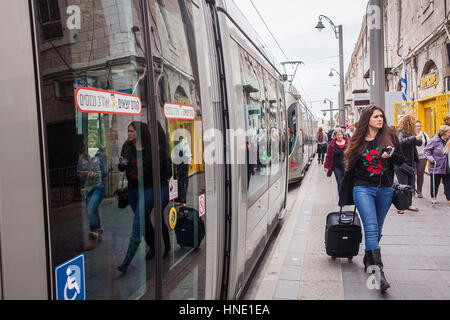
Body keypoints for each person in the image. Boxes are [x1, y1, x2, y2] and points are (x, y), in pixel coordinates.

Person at [341, 105, 405, 292]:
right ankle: (379, 272)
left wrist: (390, 156)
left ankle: (369, 257)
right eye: (376, 116)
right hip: (363, 189)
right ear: (367, 118)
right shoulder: (358, 139)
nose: (380, 119)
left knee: (377, 230)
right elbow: (349, 164)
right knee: (370, 228)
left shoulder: (390, 136)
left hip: (385, 189)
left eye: (381, 117)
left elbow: (401, 160)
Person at [117, 121, 171, 273]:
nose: (129, 134)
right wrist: (123, 163)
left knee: (139, 221)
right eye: (128, 131)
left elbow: (161, 172)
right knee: (144, 220)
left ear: (139, 133)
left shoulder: (151, 149)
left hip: (149, 189)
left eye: (132, 131)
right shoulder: (126, 147)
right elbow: (121, 167)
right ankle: (154, 246)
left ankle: (126, 263)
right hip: (133, 190)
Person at [77, 145, 108, 251]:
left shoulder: (100, 156)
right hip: (88, 188)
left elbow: (105, 172)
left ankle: (92, 236)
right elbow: (79, 175)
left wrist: (94, 172)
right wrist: (85, 175)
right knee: (93, 210)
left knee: (90, 210)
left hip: (99, 186)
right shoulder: (82, 158)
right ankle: (98, 230)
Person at [395, 115, 422, 214]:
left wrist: (416, 137)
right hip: (401, 163)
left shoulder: (412, 133)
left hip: (410, 162)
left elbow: (419, 143)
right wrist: (414, 137)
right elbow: (400, 142)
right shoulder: (400, 132)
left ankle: (409, 204)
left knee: (410, 185)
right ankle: (401, 207)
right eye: (414, 123)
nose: (416, 125)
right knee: (403, 186)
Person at [423, 125, 450, 204]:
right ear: (444, 133)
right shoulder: (434, 140)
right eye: (449, 132)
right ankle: (433, 197)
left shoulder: (448, 140)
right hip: (436, 166)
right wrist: (431, 160)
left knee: (447, 183)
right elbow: (426, 151)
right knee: (435, 182)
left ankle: (449, 199)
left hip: (446, 166)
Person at [324, 128, 348, 193]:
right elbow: (328, 156)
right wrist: (326, 166)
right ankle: (341, 199)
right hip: (336, 166)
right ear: (335, 136)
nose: (339, 136)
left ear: (343, 134)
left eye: (340, 134)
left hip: (346, 165)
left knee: (345, 182)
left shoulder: (349, 142)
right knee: (339, 182)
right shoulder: (332, 144)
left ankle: (345, 197)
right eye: (337, 135)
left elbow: (353, 153)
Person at [173, 135, 192, 205]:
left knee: (181, 183)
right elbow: (189, 153)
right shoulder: (185, 144)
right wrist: (190, 161)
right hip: (185, 164)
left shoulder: (178, 146)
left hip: (181, 165)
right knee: (183, 183)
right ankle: (181, 201)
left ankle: (182, 201)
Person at [414, 120, 430, 198]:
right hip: (413, 157)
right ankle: (412, 190)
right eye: (417, 126)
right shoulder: (411, 135)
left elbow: (429, 144)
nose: (419, 127)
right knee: (412, 174)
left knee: (420, 174)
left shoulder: (424, 134)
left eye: (420, 126)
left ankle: (419, 191)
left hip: (422, 157)